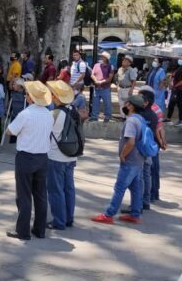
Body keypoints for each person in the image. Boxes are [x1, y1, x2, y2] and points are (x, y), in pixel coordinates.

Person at [5, 81, 52, 240]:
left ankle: (23, 231)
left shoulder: (25, 114)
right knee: (40, 195)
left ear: (31, 98)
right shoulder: (48, 114)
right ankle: (39, 229)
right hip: (43, 157)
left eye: (27, 94)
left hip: (26, 156)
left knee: (24, 195)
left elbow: (10, 131)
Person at [91, 95, 148, 225]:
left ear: (131, 106)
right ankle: (135, 214)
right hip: (139, 159)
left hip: (130, 160)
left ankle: (109, 214)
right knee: (136, 188)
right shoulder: (141, 119)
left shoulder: (131, 121)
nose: (125, 105)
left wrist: (123, 154)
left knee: (120, 187)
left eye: (127, 103)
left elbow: (131, 141)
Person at [45, 80, 79, 231]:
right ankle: (69, 218)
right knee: (69, 188)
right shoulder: (74, 111)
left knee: (56, 189)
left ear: (56, 97)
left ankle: (59, 221)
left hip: (56, 156)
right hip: (71, 155)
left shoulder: (54, 114)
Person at [167, 55, 182, 125]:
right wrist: (171, 84)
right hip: (176, 88)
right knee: (171, 103)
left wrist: (175, 85)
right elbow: (173, 77)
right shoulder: (180, 67)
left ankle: (181, 120)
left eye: (181, 59)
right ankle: (168, 118)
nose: (179, 60)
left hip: (181, 89)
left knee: (180, 104)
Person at [90, 52, 114, 122]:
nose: (101, 57)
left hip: (105, 88)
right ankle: (94, 116)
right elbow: (92, 74)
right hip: (97, 87)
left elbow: (110, 78)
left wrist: (101, 82)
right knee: (95, 103)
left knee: (107, 103)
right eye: (101, 56)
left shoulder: (110, 66)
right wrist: (96, 80)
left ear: (107, 58)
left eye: (103, 56)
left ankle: (107, 117)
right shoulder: (96, 65)